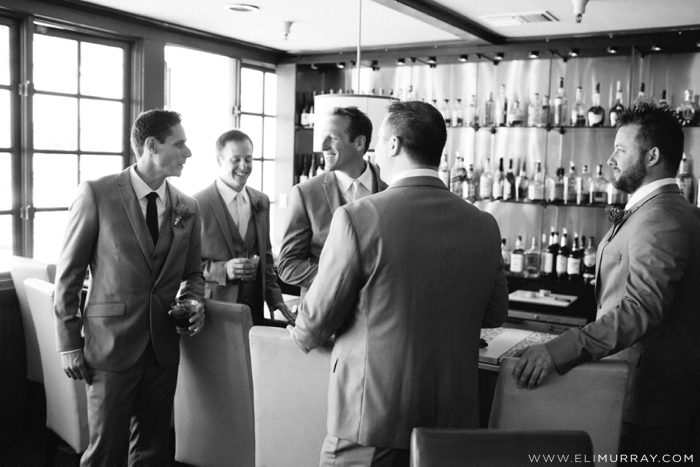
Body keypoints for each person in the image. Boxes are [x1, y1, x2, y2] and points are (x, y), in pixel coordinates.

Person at [289, 100, 509, 465]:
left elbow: (313, 323)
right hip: (452, 425)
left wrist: (299, 331)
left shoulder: (359, 218)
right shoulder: (484, 224)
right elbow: (495, 312)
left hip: (371, 420)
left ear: (392, 145)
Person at [513, 103, 700, 457]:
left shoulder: (660, 218)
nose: (610, 158)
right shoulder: (678, 211)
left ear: (652, 156)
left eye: (621, 148)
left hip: (649, 402)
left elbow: (642, 308)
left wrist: (561, 350)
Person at [54, 109, 206, 465]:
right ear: (151, 145)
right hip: (110, 346)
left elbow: (193, 274)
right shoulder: (97, 194)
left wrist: (193, 301)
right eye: (179, 143)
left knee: (153, 452)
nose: (188, 152)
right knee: (105, 452)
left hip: (163, 348)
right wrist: (68, 344)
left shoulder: (188, 206)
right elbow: (69, 275)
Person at [278, 106, 388, 298]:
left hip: (380, 311)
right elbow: (288, 264)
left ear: (359, 143)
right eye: (322, 137)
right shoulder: (305, 193)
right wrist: (341, 279)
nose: (322, 145)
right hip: (322, 313)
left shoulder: (391, 186)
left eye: (333, 138)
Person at [193, 129, 294, 326]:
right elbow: (183, 267)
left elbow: (265, 257)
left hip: (253, 310)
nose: (244, 166)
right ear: (219, 161)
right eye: (236, 159)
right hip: (214, 310)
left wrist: (275, 299)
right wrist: (223, 270)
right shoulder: (197, 204)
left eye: (248, 159)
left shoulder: (261, 201)